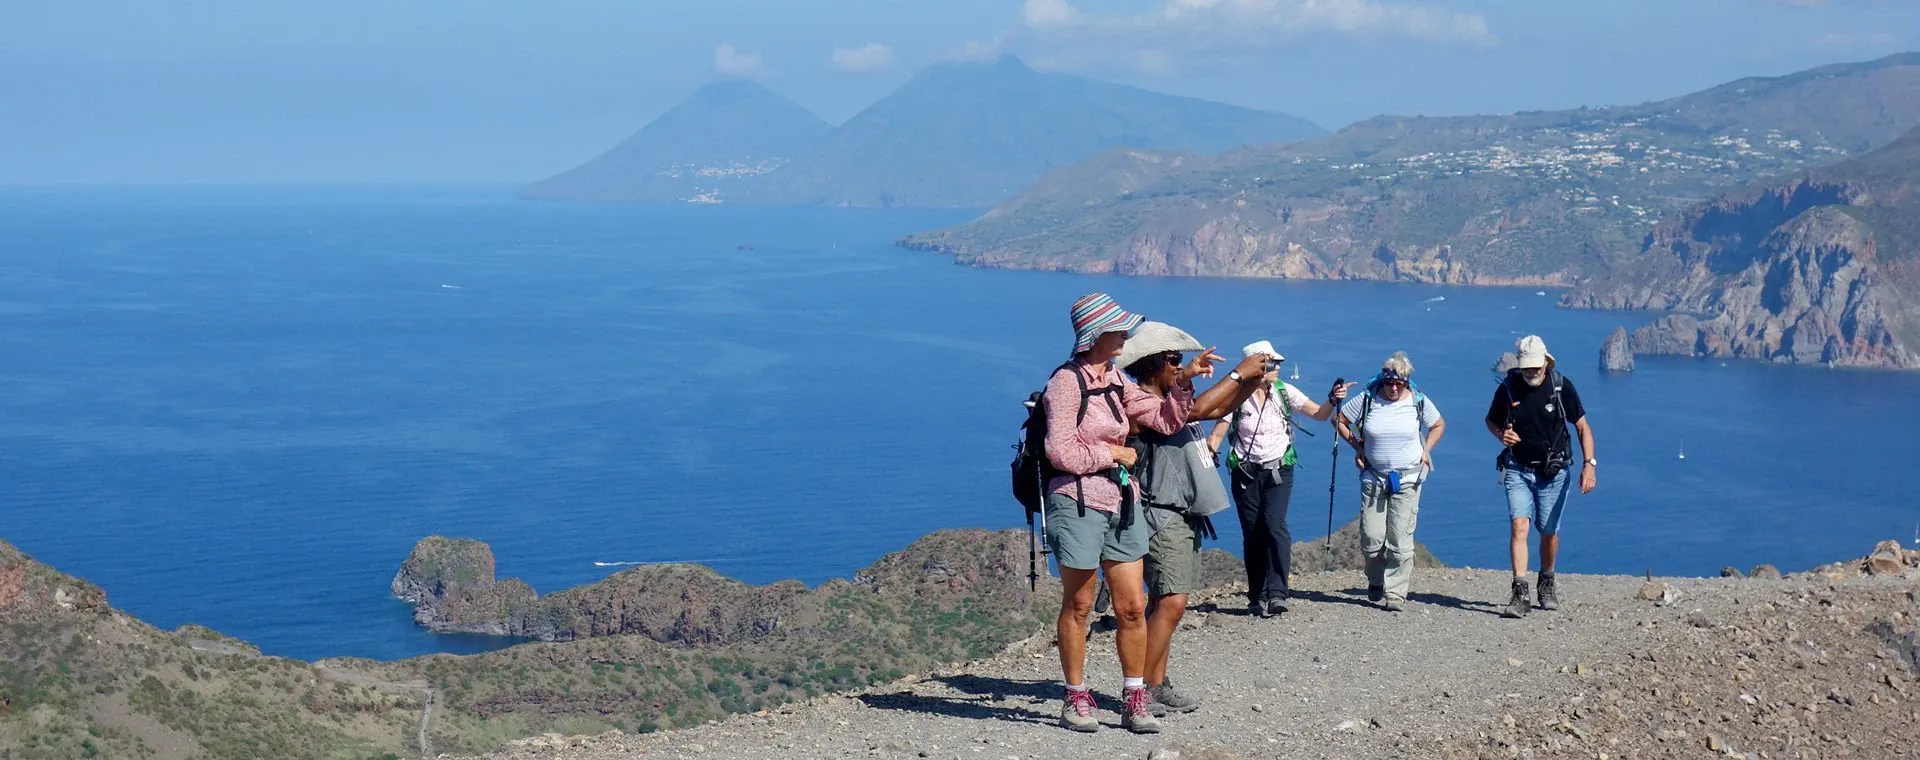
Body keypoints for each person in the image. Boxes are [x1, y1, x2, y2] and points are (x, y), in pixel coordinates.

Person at [1040, 294, 1262, 734]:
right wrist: (1113, 453)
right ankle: (1076, 698)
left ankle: (1135, 697)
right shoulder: (1065, 383)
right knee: (1081, 603)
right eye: (1119, 329)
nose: (1126, 335)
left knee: (1133, 607)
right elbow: (1058, 450)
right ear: (1096, 334)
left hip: (1121, 503)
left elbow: (1164, 420)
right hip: (1077, 502)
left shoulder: (1118, 381)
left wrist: (1184, 382)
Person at [1117, 323, 1268, 718]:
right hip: (1160, 513)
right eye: (1173, 360)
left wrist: (1254, 381)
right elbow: (1201, 409)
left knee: (1165, 603)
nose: (1179, 365)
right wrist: (1237, 373)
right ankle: (1144, 688)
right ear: (1154, 365)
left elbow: (1218, 409)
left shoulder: (1169, 399)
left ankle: (1157, 682)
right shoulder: (1143, 404)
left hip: (1181, 513)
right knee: (1171, 603)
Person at [1206, 341, 1351, 618]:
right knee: (1253, 531)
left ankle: (1277, 593)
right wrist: (1208, 454)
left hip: (1279, 469)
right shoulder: (1235, 397)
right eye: (1272, 363)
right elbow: (1217, 433)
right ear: (1255, 367)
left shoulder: (1285, 392)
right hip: (1245, 471)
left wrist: (1332, 400)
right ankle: (1256, 594)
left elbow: (1319, 414)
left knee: (1274, 525)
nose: (1278, 368)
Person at [1484, 335, 1597, 619]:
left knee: (1548, 532)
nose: (1531, 372)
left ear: (1546, 363)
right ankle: (1519, 592)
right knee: (1519, 526)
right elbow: (1491, 420)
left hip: (1554, 473)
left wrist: (1589, 465)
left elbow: (1582, 427)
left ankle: (1546, 581)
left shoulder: (1561, 387)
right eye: (1526, 367)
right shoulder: (1509, 388)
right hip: (1517, 469)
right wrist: (1502, 435)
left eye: (1536, 367)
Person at [1334, 352, 1445, 612]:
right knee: (1371, 539)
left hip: (1408, 478)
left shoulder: (1418, 401)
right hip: (1374, 476)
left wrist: (1425, 449)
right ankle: (1375, 579)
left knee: (1400, 540)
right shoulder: (1367, 399)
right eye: (1389, 382)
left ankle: (1395, 593)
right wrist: (1357, 447)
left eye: (1400, 383)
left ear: (1407, 382)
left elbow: (1438, 425)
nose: (1394, 387)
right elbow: (1339, 420)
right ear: (1383, 380)